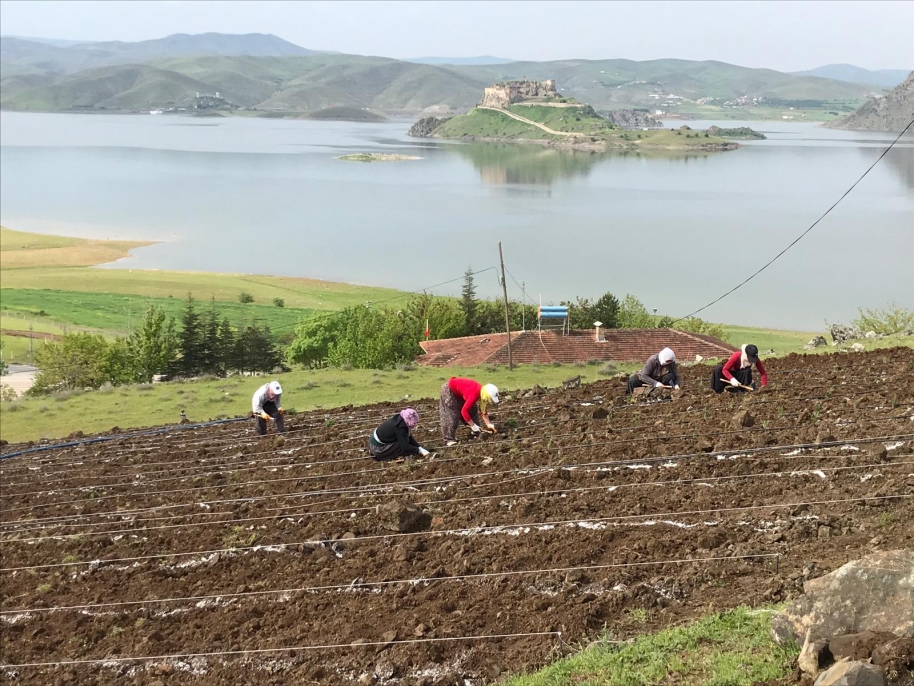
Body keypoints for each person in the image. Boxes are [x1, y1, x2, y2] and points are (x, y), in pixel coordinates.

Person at [439, 377, 499, 446]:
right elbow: (464, 411)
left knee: (472, 409)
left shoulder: (482, 392)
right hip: (449, 390)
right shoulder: (474, 394)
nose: (490, 400)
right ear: (487, 395)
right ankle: (448, 439)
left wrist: (489, 424)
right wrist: (473, 425)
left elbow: (483, 411)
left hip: (460, 393)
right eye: (490, 398)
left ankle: (476, 431)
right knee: (452, 414)